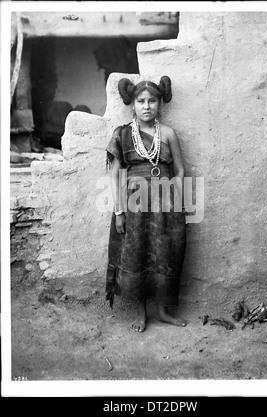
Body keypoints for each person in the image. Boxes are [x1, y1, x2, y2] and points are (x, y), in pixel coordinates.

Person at [105, 76, 187, 333]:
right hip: (134, 207)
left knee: (165, 254)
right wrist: (119, 212)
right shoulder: (122, 134)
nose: (147, 106)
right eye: (141, 101)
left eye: (152, 100)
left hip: (166, 207)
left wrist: (174, 198)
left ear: (160, 104)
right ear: (133, 105)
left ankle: (163, 311)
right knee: (137, 252)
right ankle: (141, 312)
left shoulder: (169, 134)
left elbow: (180, 170)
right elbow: (115, 176)